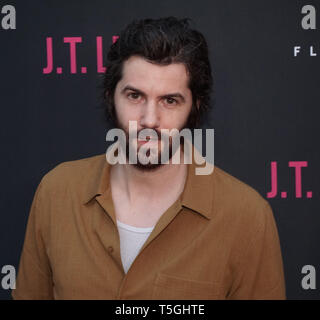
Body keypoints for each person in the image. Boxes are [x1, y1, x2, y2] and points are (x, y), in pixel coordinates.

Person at [12, 17, 286, 300]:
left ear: (195, 109)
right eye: (135, 96)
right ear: (111, 97)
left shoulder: (246, 217)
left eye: (170, 101)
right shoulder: (57, 192)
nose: (149, 119)